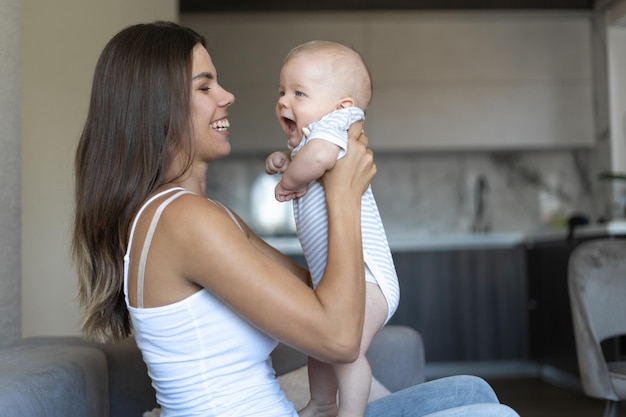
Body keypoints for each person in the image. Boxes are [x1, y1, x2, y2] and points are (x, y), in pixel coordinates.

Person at [72, 21, 519, 417]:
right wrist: (343, 194)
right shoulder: (183, 220)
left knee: (470, 390)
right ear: (158, 107)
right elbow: (340, 339)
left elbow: (319, 293)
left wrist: (332, 191)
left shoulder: (205, 215)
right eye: (205, 87)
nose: (227, 96)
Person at [265, 40, 399, 417]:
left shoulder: (337, 127)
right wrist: (285, 159)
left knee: (345, 348)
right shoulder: (315, 138)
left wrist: (288, 179)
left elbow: (319, 157)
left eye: (299, 93)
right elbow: (309, 156)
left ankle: (350, 412)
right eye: (282, 91)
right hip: (338, 277)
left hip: (369, 278)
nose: (283, 101)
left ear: (342, 106)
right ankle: (323, 403)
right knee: (321, 343)